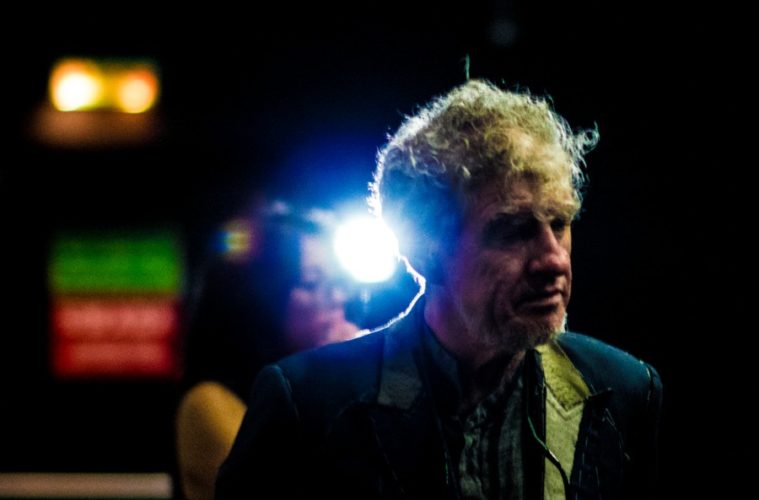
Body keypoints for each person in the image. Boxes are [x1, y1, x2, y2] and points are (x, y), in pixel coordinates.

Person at [216, 80, 663, 499]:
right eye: (513, 230)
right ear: (426, 250)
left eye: (560, 223)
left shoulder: (624, 390)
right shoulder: (308, 404)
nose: (554, 260)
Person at [175, 200, 360, 500]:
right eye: (312, 283)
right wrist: (341, 381)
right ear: (259, 299)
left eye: (338, 282)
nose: (338, 297)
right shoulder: (209, 403)